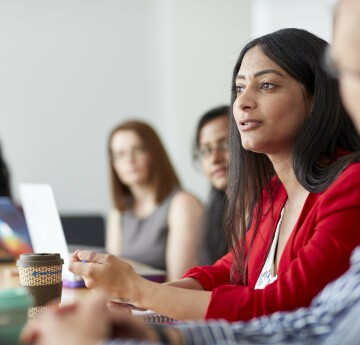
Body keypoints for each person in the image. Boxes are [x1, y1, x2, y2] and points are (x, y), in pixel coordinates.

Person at [20, 1, 360, 343]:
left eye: (267, 85)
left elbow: (284, 305)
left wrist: (141, 292)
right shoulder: (275, 191)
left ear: (319, 97)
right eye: (239, 88)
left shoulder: (350, 184)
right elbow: (228, 270)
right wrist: (144, 301)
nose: (242, 102)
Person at [106, 120, 203, 281]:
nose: (129, 160)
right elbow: (113, 276)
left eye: (138, 150)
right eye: (120, 154)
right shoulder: (118, 211)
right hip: (128, 302)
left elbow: (178, 284)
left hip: (164, 303)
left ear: (154, 153)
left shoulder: (182, 204)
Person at [193, 105, 230, 265]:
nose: (215, 159)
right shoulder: (213, 214)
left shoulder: (270, 209)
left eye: (225, 145)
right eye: (206, 150)